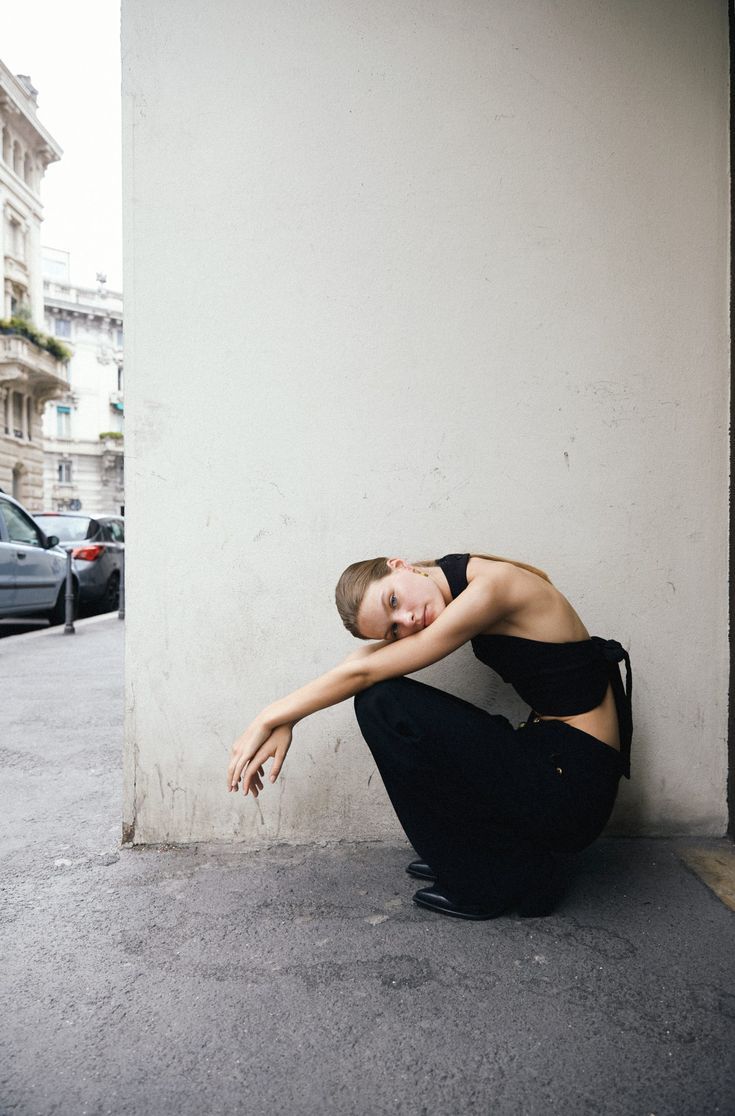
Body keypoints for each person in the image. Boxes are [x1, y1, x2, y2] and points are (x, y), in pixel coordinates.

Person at [227, 552, 632, 921]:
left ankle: (496, 884)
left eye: (393, 601)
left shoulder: (493, 587)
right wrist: (289, 718)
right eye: (392, 630)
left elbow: (364, 672)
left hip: (573, 791)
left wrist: (270, 716)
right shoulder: (454, 577)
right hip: (550, 758)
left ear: (399, 565)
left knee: (383, 703)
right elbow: (360, 661)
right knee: (379, 698)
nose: (407, 621)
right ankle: (485, 858)